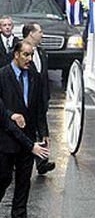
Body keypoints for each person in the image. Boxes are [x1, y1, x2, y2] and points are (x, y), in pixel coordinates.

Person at [0, 41, 49, 218]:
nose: (29, 59)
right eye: (26, 55)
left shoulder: (34, 77)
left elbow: (38, 109)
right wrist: (12, 115)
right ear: (16, 54)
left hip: (27, 139)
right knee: (3, 178)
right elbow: (2, 115)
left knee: (23, 182)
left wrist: (43, 132)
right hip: (6, 140)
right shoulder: (2, 76)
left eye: (31, 55)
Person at [22, 22, 55, 175]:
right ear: (31, 34)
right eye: (40, 32)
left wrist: (46, 95)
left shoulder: (41, 52)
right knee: (27, 128)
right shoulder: (19, 51)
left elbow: (44, 75)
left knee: (41, 128)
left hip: (40, 98)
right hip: (25, 97)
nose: (42, 34)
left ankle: (41, 162)